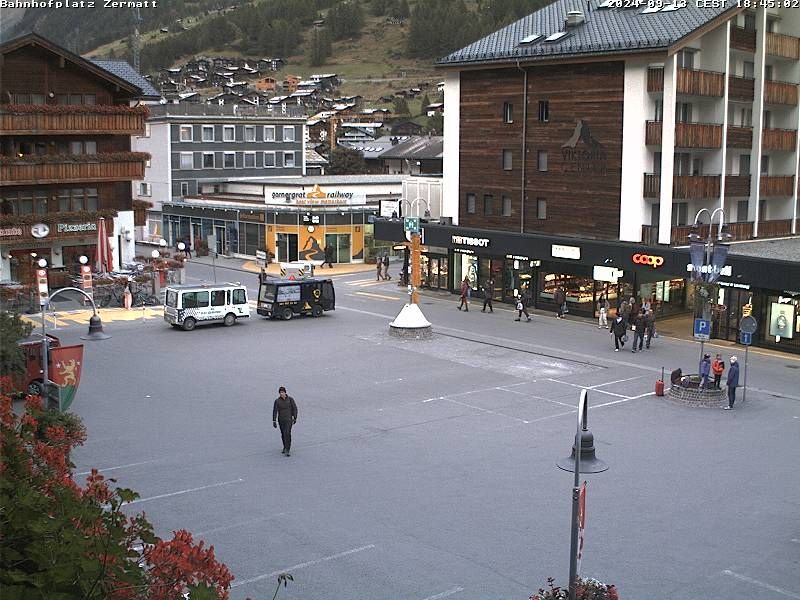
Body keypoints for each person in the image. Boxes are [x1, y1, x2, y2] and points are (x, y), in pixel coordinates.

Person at [272, 386, 298, 456]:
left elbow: (295, 408)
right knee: (283, 434)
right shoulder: (277, 401)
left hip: (289, 420)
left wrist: (295, 417)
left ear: (285, 392)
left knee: (287, 433)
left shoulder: (290, 399)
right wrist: (274, 421)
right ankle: (285, 446)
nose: (281, 394)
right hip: (281, 420)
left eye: (282, 392)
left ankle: (288, 449)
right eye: (280, 392)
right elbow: (275, 411)